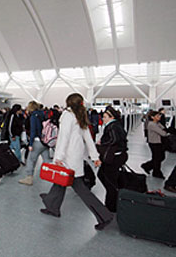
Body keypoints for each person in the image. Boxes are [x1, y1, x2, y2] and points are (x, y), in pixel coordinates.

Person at [39, 93, 113, 230]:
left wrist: (58, 157)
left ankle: (104, 216)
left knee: (79, 188)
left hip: (67, 158)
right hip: (76, 157)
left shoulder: (67, 115)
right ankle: (52, 207)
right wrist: (95, 157)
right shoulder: (80, 116)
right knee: (60, 183)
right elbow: (88, 138)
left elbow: (63, 138)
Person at [96, 106, 128, 213]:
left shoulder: (112, 127)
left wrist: (102, 143)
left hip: (113, 157)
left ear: (111, 117)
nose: (103, 119)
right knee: (103, 175)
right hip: (117, 156)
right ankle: (114, 196)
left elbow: (113, 139)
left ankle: (111, 206)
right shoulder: (117, 125)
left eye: (105, 117)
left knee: (109, 181)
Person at [19, 101, 50, 186]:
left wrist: (30, 144)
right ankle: (52, 176)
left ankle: (29, 178)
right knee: (47, 160)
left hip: (37, 141)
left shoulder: (33, 116)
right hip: (45, 141)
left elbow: (33, 131)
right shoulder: (43, 114)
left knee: (31, 160)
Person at [141, 110, 169, 179]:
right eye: (157, 116)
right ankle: (156, 172)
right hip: (154, 143)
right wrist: (166, 132)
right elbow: (163, 133)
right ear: (152, 117)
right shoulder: (152, 124)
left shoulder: (157, 123)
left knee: (159, 157)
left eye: (159, 115)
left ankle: (147, 166)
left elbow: (164, 129)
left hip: (158, 143)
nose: (159, 117)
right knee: (157, 158)